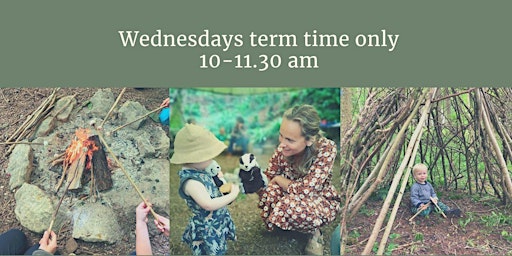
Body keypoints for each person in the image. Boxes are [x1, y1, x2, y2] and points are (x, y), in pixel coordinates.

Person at [257, 105, 341, 255]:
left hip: (316, 199)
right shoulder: (282, 150)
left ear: (309, 140)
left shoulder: (326, 148)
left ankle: (314, 234)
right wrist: (256, 182)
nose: (282, 143)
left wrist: (278, 179)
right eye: (281, 135)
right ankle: (281, 225)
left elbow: (308, 190)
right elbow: (269, 179)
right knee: (270, 191)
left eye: (289, 139)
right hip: (291, 195)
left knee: (291, 205)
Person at [170, 124, 239, 255]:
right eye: (209, 156)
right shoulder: (191, 182)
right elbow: (208, 204)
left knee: (220, 246)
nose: (212, 159)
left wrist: (219, 180)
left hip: (216, 221)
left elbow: (212, 188)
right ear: (196, 157)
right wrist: (233, 194)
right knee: (211, 251)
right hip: (208, 228)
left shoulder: (201, 170)